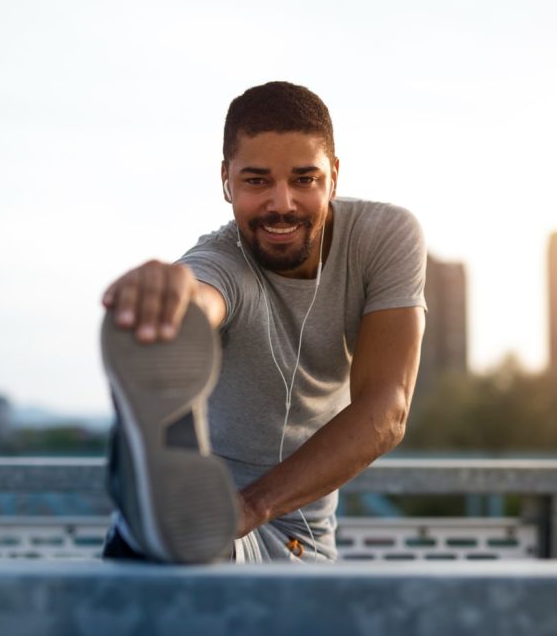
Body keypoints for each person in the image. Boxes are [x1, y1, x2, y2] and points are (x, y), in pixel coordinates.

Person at [100, 81, 426, 563]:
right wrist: (173, 304)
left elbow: (387, 411)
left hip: (296, 531)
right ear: (226, 179)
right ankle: (153, 517)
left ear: (333, 176)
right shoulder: (220, 260)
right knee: (190, 546)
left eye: (304, 179)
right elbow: (204, 294)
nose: (281, 204)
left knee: (196, 554)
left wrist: (248, 507)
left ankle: (153, 528)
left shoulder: (383, 237)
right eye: (256, 181)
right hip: (208, 526)